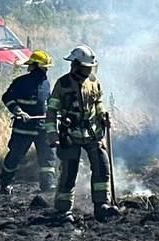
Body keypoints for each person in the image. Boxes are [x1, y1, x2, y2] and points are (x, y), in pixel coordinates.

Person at [47, 45, 115, 222]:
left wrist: (103, 114)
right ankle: (63, 211)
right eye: (86, 67)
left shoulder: (94, 81)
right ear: (75, 65)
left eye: (90, 67)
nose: (89, 70)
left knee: (102, 167)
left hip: (93, 133)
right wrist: (52, 134)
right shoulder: (62, 84)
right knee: (69, 172)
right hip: (70, 134)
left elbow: (98, 101)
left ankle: (101, 205)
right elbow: (52, 111)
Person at [0, 50, 56, 194]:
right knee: (15, 156)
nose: (46, 70)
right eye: (44, 67)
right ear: (35, 66)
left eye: (47, 68)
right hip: (23, 129)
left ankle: (47, 185)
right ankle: (5, 184)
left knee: (47, 157)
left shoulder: (46, 84)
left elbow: (48, 102)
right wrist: (19, 112)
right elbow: (7, 98)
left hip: (42, 128)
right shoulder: (21, 82)